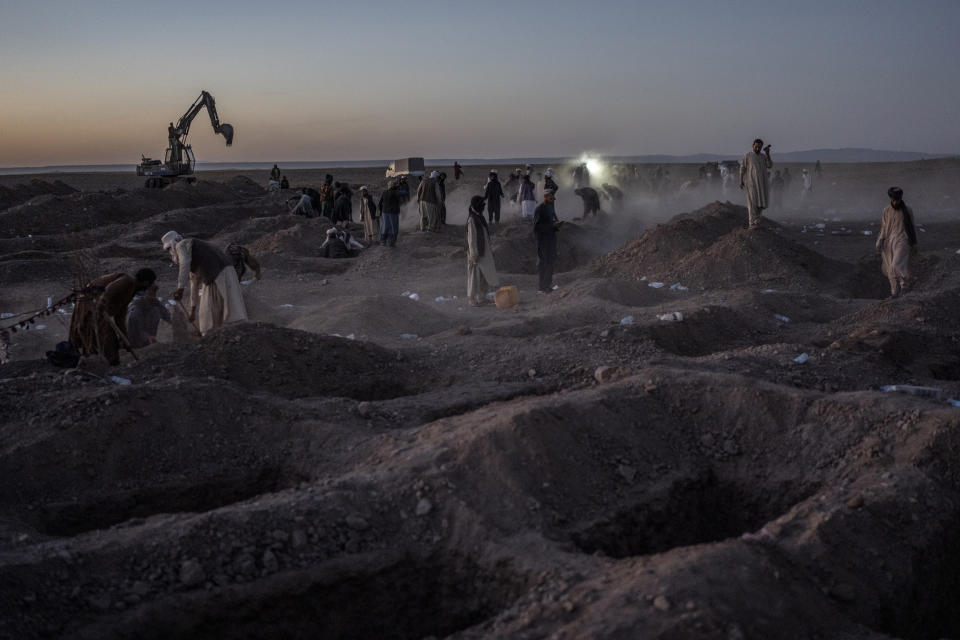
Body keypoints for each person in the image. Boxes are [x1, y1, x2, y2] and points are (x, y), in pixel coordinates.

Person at [161, 231, 247, 336]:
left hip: (217, 275)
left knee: (208, 317)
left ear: (173, 244)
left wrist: (180, 288)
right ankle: (221, 336)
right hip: (226, 273)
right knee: (225, 310)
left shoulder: (181, 245)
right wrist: (192, 311)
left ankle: (211, 336)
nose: (170, 252)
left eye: (169, 249)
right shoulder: (194, 252)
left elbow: (184, 264)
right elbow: (194, 286)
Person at [69, 268, 158, 365]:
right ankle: (99, 362)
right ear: (145, 283)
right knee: (102, 337)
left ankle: (102, 362)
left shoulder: (130, 292)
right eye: (150, 284)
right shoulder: (128, 281)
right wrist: (101, 303)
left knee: (104, 338)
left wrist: (124, 337)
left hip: (99, 309)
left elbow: (120, 316)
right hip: (91, 304)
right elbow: (109, 289)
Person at [876, 187, 918, 298]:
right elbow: (884, 228)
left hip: (903, 240)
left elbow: (912, 227)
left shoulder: (908, 210)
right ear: (890, 198)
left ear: (900, 199)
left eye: (898, 200)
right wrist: (879, 241)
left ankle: (904, 286)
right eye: (894, 200)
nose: (896, 202)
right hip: (889, 241)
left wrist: (915, 243)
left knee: (896, 265)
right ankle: (894, 292)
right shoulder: (886, 210)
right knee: (890, 268)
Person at [466, 195, 499, 305]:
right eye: (481, 205)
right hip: (476, 253)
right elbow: (471, 238)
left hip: (484, 251)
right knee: (475, 276)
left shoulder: (479, 217)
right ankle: (472, 298)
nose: (483, 207)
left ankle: (481, 297)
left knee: (484, 276)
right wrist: (473, 253)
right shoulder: (472, 219)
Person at [533, 189, 563, 293]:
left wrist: (556, 226)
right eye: (551, 197)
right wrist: (551, 226)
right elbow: (536, 227)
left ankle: (548, 285)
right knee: (544, 263)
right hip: (543, 241)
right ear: (545, 196)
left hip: (551, 239)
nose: (553, 199)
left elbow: (552, 223)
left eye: (553, 197)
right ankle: (542, 287)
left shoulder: (550, 208)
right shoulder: (540, 209)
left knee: (551, 262)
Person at [125, 282, 172, 349]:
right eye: (150, 293)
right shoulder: (135, 311)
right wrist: (147, 337)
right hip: (137, 343)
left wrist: (176, 321)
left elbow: (167, 316)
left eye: (154, 293)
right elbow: (136, 331)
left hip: (150, 338)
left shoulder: (155, 303)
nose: (153, 296)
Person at [739, 138, 773, 227]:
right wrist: (741, 180)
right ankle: (751, 223)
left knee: (761, 203)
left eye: (760, 147)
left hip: (762, 184)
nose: (758, 149)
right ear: (753, 146)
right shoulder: (748, 156)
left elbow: (770, 165)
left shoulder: (763, 157)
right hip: (751, 183)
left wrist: (768, 154)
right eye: (756, 147)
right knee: (752, 203)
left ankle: (757, 220)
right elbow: (742, 168)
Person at [378, 181, 401, 247]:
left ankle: (383, 241)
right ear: (393, 186)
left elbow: (379, 203)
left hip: (384, 212)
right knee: (393, 227)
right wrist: (397, 189)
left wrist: (381, 212)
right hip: (393, 213)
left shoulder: (384, 192)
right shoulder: (395, 192)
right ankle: (391, 242)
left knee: (384, 227)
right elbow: (402, 194)